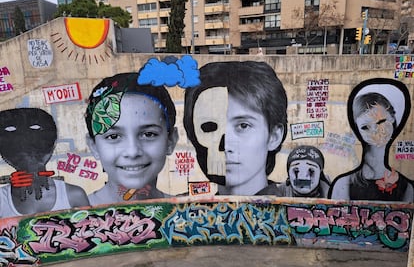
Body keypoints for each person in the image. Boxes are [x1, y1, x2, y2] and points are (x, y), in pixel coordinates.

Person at [183, 61, 287, 196]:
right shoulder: (188, 215)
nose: (225, 145)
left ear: (274, 136)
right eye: (209, 127)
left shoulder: (296, 215)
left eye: (243, 126)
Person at [85, 72, 178, 205]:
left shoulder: (188, 217)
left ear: (171, 140)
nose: (132, 152)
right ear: (93, 146)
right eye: (113, 136)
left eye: (148, 134)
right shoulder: (66, 220)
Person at [329, 78, 413, 202]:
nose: (375, 131)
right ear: (357, 129)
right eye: (365, 127)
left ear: (393, 118)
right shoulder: (344, 183)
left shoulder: (406, 186)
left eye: (381, 121)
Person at [0, 108, 89, 218]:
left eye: (35, 130)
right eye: (11, 131)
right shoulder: (2, 200)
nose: (25, 141)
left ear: (53, 142)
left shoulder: (74, 195)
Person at [258, 145, 330, 198]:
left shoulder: (331, 194)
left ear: (320, 173)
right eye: (296, 170)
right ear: (288, 173)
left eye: (311, 170)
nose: (303, 176)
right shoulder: (275, 194)